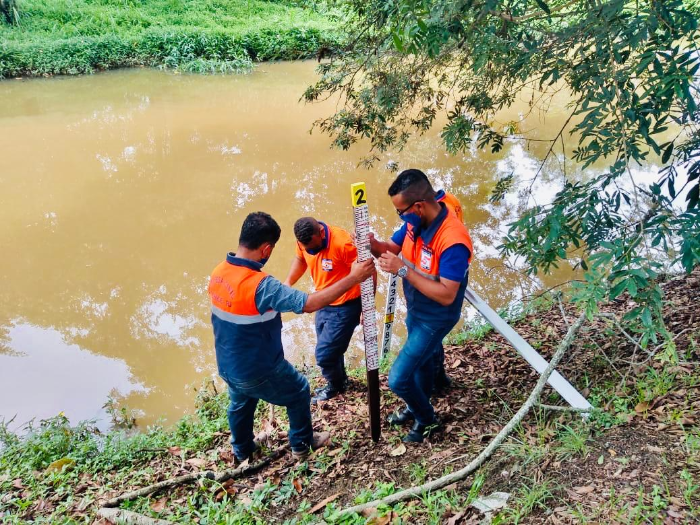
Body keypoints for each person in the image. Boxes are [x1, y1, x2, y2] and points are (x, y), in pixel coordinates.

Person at [208, 212, 375, 462]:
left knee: (241, 403)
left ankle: (242, 450)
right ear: (266, 249)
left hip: (227, 364)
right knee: (299, 390)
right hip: (261, 368)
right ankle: (301, 444)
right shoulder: (262, 285)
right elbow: (309, 303)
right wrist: (353, 277)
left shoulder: (219, 272)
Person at [369, 169, 473, 443]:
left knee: (398, 378)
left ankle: (428, 420)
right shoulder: (415, 223)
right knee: (423, 363)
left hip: (436, 317)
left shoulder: (453, 241)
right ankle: (417, 406)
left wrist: (402, 270)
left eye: (400, 211)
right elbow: (388, 248)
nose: (400, 217)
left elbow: (447, 295)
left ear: (418, 206)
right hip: (416, 309)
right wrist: (370, 244)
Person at [284, 217, 374, 403]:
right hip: (323, 300)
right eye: (306, 247)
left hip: (347, 304)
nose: (311, 251)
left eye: (314, 247)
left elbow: (369, 271)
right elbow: (301, 258)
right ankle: (342, 380)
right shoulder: (304, 241)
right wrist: (288, 283)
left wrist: (367, 307)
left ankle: (335, 386)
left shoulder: (343, 243)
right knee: (331, 348)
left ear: (321, 233)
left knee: (324, 355)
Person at [433, 188, 464, 393]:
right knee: (433, 340)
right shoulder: (451, 199)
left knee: (431, 339)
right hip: (442, 275)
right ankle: (439, 379)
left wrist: (403, 269)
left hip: (441, 279)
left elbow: (446, 293)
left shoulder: (447, 227)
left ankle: (437, 381)